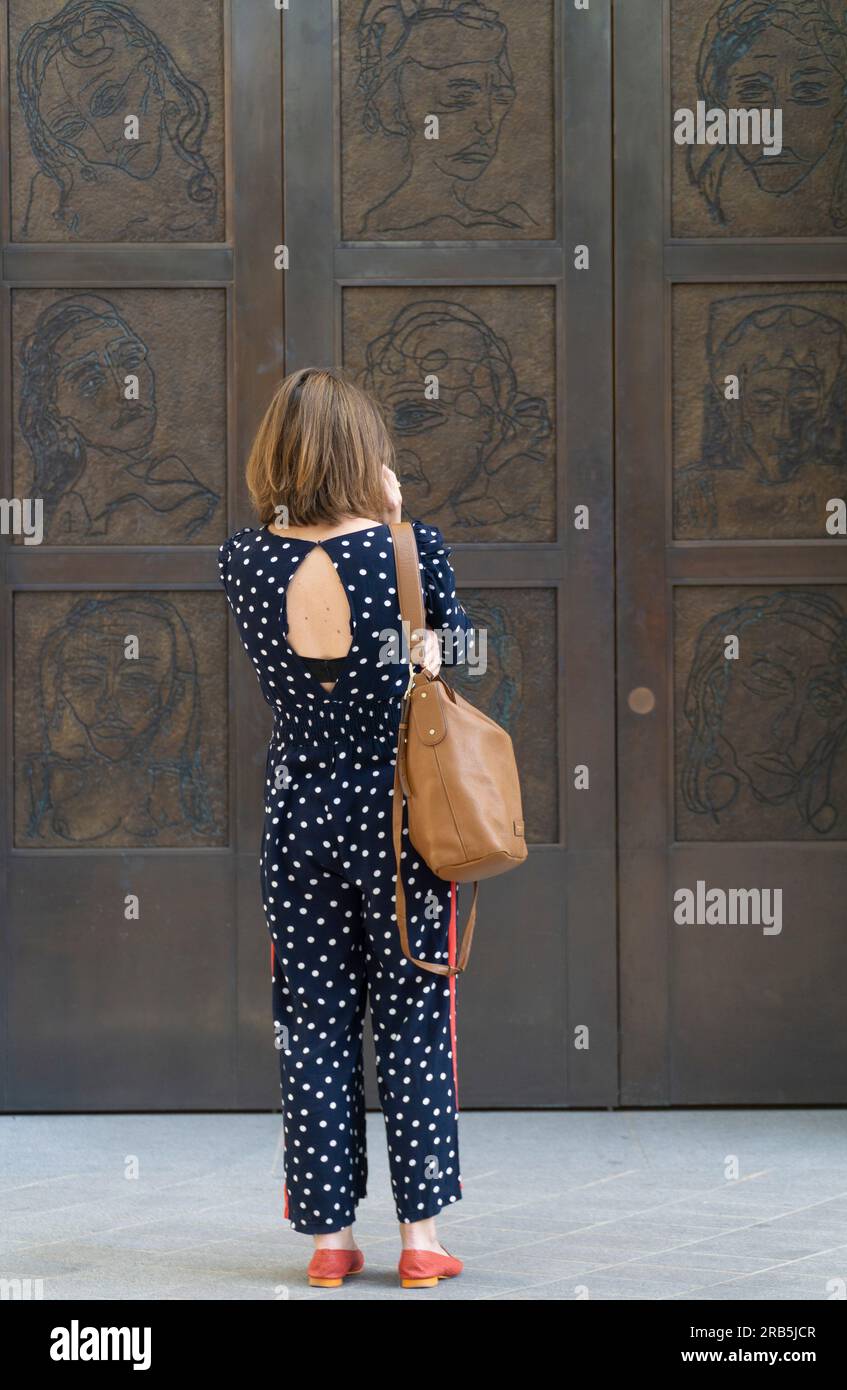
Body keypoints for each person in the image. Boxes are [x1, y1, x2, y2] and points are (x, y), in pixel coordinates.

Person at [217, 368, 476, 1289]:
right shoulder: (412, 550)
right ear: (364, 455)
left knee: (313, 1022)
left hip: (299, 815)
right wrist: (399, 528)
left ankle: (330, 1243)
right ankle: (420, 1241)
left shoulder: (243, 562)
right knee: (412, 1018)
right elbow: (450, 665)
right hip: (399, 817)